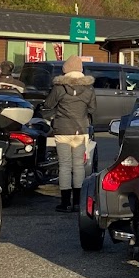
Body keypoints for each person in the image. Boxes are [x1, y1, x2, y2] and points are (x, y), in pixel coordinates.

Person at [43, 56, 95, 212]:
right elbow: (93, 109)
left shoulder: (59, 87)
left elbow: (48, 104)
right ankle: (78, 202)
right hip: (80, 130)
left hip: (62, 130)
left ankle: (65, 203)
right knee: (78, 166)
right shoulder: (88, 88)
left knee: (64, 165)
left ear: (65, 69)